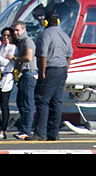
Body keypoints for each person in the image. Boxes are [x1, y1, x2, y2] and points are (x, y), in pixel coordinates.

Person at [33, 11, 73, 141]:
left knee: (42, 100)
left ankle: (40, 132)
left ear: (46, 22)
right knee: (56, 101)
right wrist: (65, 69)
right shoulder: (65, 35)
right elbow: (69, 55)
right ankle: (53, 132)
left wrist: (42, 71)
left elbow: (43, 55)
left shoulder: (46, 34)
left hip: (50, 68)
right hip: (62, 69)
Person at [11, 20, 37, 140]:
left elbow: (28, 57)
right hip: (23, 75)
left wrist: (15, 58)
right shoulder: (20, 42)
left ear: (24, 30)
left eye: (18, 30)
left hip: (28, 74)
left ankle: (26, 130)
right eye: (14, 30)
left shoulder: (27, 42)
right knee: (21, 102)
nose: (15, 33)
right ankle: (24, 128)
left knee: (27, 103)